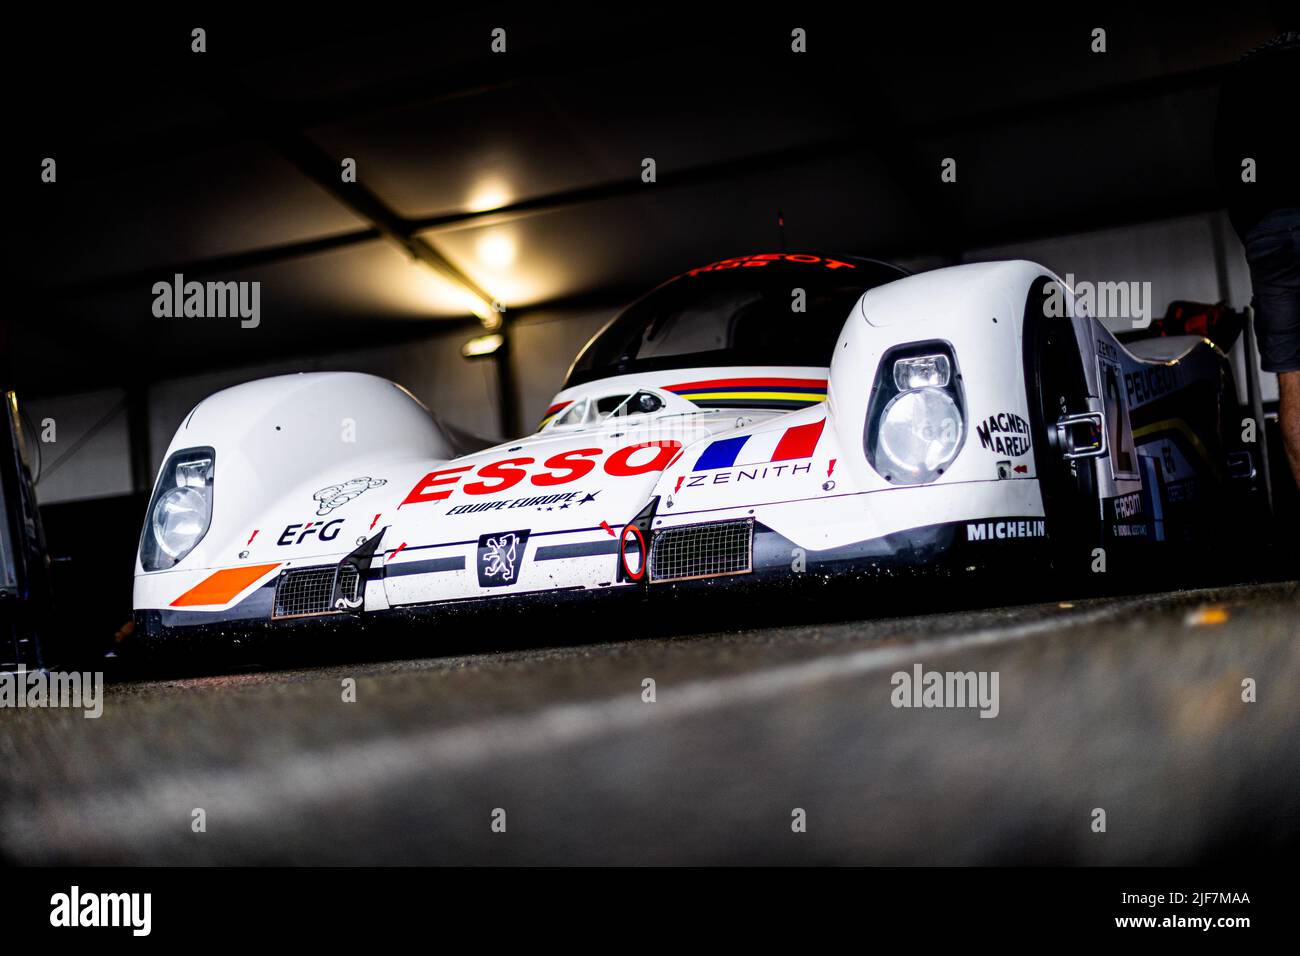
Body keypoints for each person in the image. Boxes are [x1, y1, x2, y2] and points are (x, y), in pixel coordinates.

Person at [1214, 24, 1300, 491]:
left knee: (1292, 379)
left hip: (1267, 236)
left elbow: (1224, 168)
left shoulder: (1241, 77)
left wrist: (1255, 233)